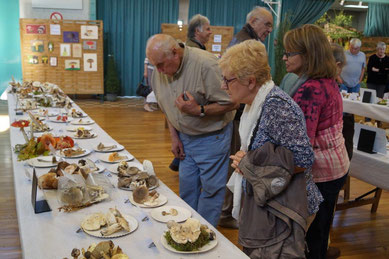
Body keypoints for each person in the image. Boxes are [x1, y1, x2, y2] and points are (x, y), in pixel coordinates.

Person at [220, 39, 322, 258]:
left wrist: (249, 163)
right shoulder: (254, 104)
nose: (223, 86)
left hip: (287, 207)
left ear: (250, 81)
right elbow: (262, 149)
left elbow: (303, 159)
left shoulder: (276, 105)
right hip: (273, 200)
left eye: (227, 80)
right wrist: (246, 158)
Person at [146, 34, 237, 227]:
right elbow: (166, 106)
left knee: (211, 192)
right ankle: (185, 234)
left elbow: (231, 103)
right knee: (187, 190)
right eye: (155, 66)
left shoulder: (207, 65)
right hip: (185, 138)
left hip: (212, 138)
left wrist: (199, 110)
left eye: (161, 65)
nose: (159, 71)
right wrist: (174, 136)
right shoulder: (160, 71)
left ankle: (201, 236)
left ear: (175, 52)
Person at [283, 24, 350, 259]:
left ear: (308, 54)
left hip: (321, 173)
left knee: (312, 236)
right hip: (336, 165)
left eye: (290, 53)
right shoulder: (328, 80)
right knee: (321, 230)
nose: (284, 57)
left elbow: (301, 149)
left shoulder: (310, 89)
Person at [219, 6, 274, 229]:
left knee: (239, 160)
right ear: (252, 22)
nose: (270, 29)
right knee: (237, 161)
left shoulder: (242, 40)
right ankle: (228, 213)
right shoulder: (245, 45)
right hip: (240, 114)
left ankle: (231, 211)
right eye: (267, 24)